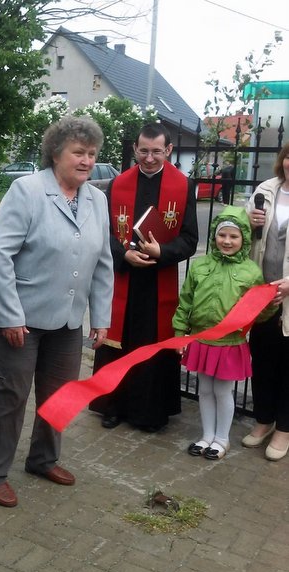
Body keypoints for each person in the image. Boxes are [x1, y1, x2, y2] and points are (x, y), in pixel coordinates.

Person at [0, 116, 114, 508]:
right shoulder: (28, 190)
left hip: (67, 318)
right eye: (78, 152)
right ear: (56, 153)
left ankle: (42, 459)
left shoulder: (97, 200)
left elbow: (103, 261)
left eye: (92, 154)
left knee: (61, 394)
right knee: (11, 395)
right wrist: (9, 314)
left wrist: (100, 316)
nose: (86, 160)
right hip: (18, 316)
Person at [90, 122, 198, 432]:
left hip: (157, 280)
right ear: (135, 149)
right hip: (124, 278)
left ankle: (149, 412)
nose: (149, 158)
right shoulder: (118, 184)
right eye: (143, 151)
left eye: (156, 151)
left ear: (168, 150)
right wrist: (123, 254)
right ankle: (112, 405)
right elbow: (105, 233)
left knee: (151, 347)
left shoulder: (183, 186)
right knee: (117, 345)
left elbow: (190, 239)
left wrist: (160, 251)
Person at [173, 206, 274, 460]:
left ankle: (222, 439)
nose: (227, 241)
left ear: (244, 239)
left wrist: (269, 305)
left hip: (229, 343)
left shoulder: (251, 272)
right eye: (222, 235)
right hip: (202, 339)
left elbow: (257, 312)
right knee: (204, 390)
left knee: (222, 391)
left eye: (234, 236)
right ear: (214, 237)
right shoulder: (200, 266)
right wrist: (179, 332)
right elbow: (185, 300)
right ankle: (207, 436)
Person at [243, 141, 289, 461]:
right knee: (262, 359)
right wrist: (250, 222)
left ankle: (284, 429)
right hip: (262, 293)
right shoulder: (266, 189)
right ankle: (263, 421)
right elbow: (238, 234)